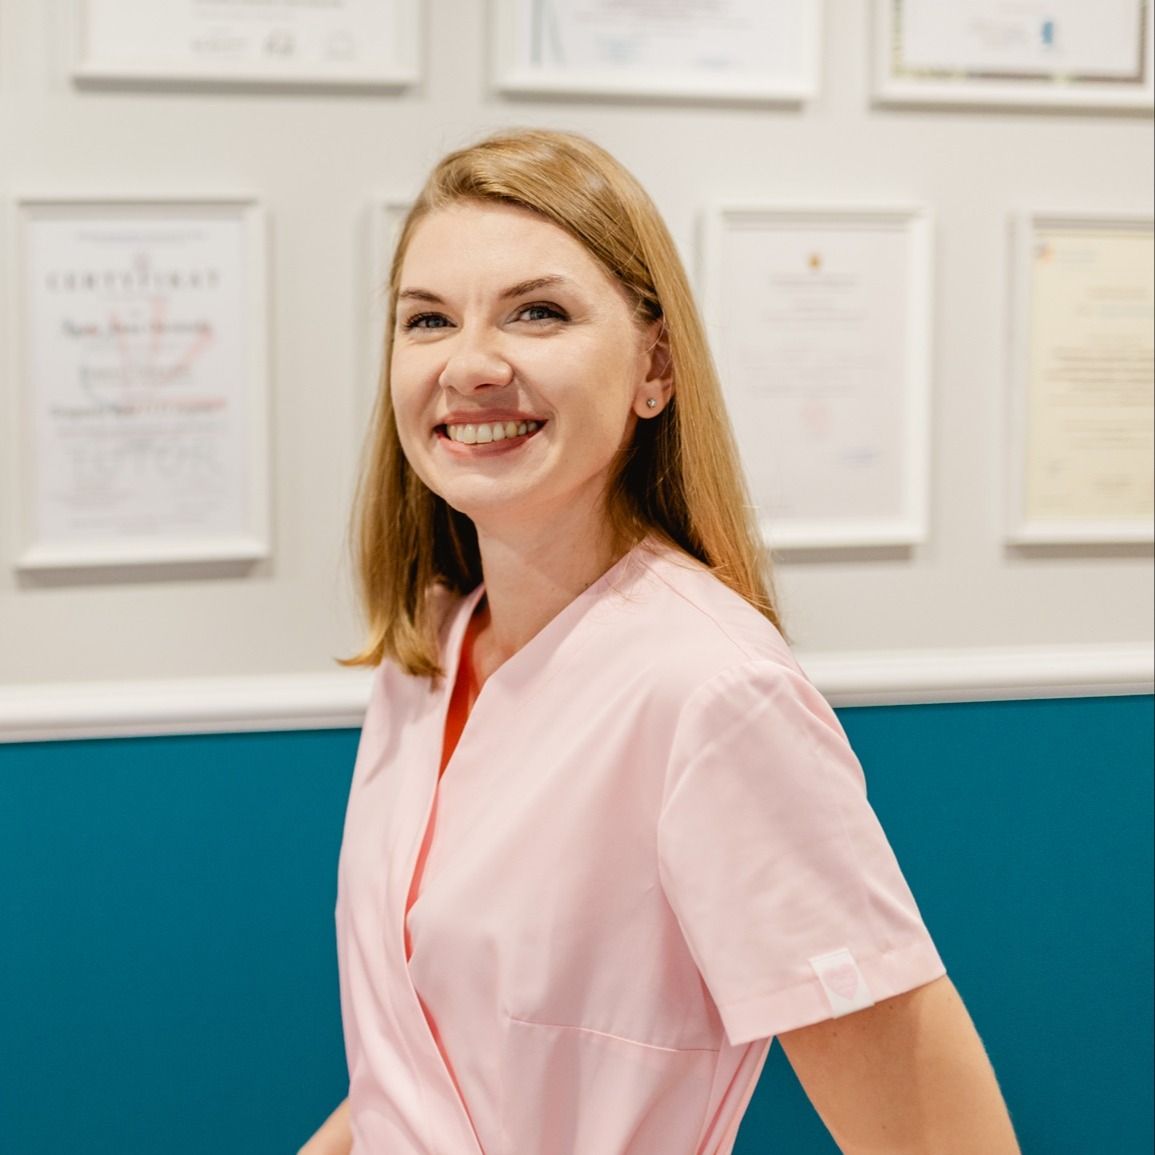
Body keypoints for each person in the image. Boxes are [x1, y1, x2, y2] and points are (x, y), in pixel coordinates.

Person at [300, 128, 1020, 1155]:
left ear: (656, 366)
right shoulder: (431, 647)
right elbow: (416, 1068)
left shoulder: (713, 694)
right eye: (428, 320)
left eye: (537, 312)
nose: (470, 364)